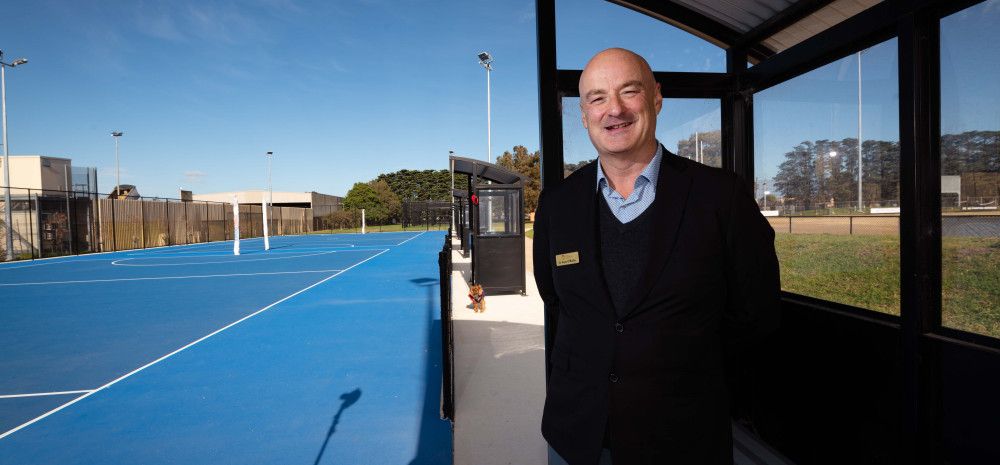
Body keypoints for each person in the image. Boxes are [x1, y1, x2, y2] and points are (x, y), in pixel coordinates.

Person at [533, 48, 780, 465]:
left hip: (683, 435)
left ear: (656, 98)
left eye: (629, 91)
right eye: (597, 98)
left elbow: (756, 314)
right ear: (583, 113)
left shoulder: (722, 196)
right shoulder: (557, 204)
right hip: (579, 434)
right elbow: (556, 301)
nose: (614, 109)